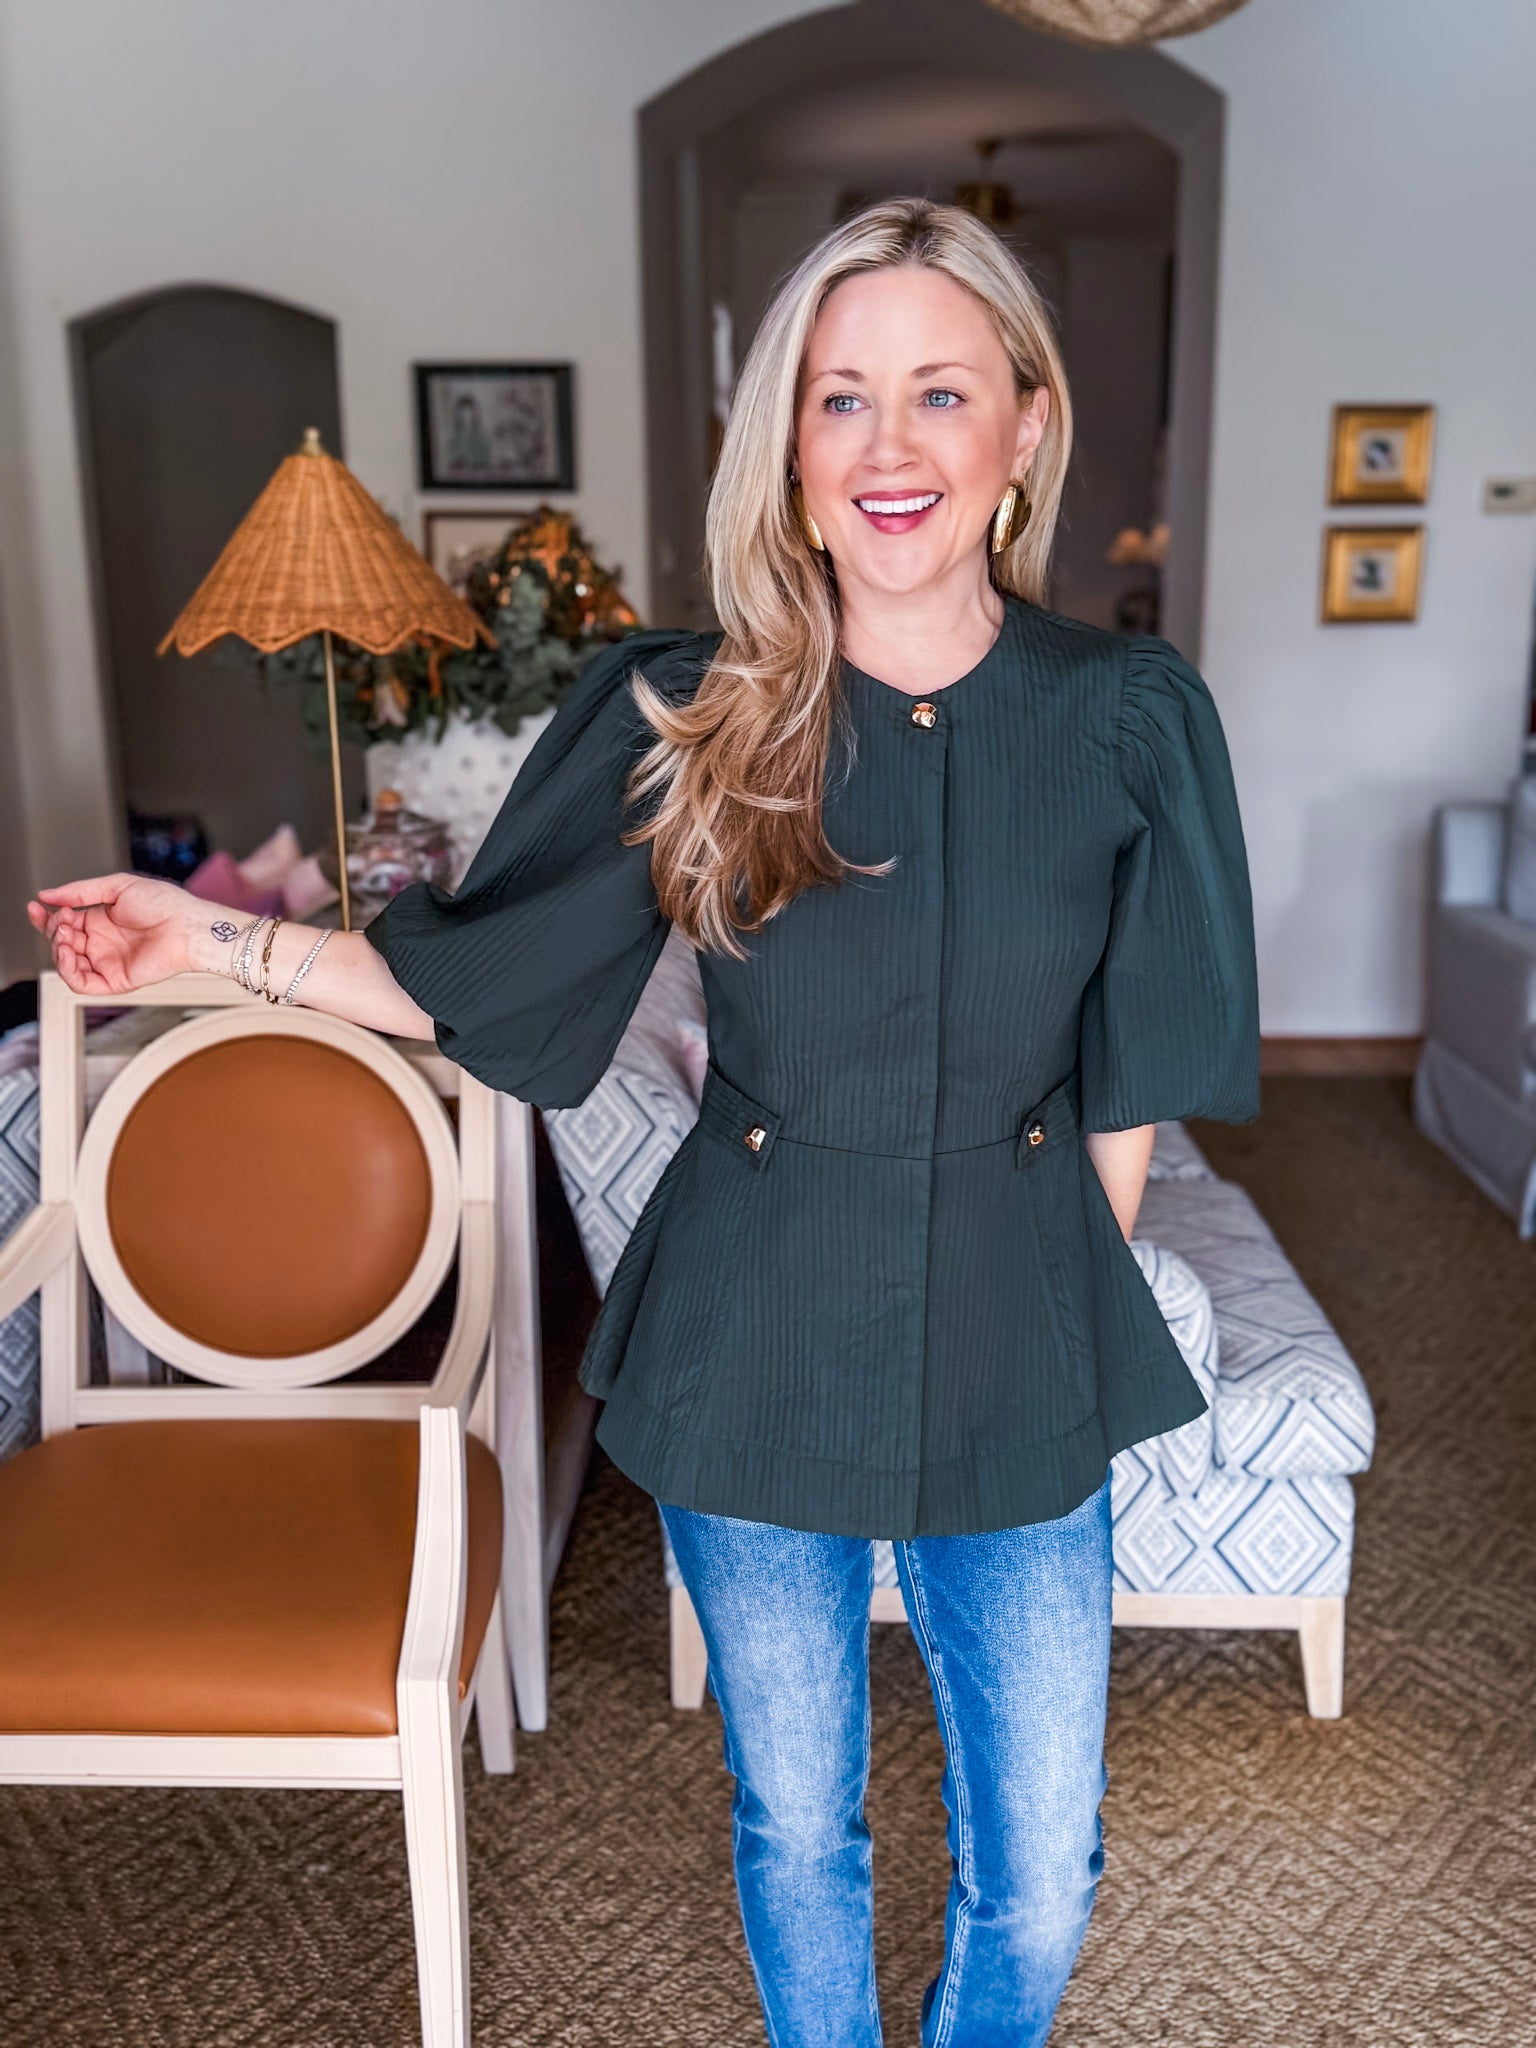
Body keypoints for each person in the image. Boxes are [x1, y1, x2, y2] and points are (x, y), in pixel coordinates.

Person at [28, 196, 1260, 2047]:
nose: (891, 445)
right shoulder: (686, 706)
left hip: (1023, 1326)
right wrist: (209, 936)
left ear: (1026, 426)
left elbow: (1136, 1071)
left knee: (1045, 1863)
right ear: (789, 445)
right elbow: (483, 978)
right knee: (799, 1828)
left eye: (941, 391)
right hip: (752, 1322)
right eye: (840, 398)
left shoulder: (1133, 716)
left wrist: (1071, 1285)